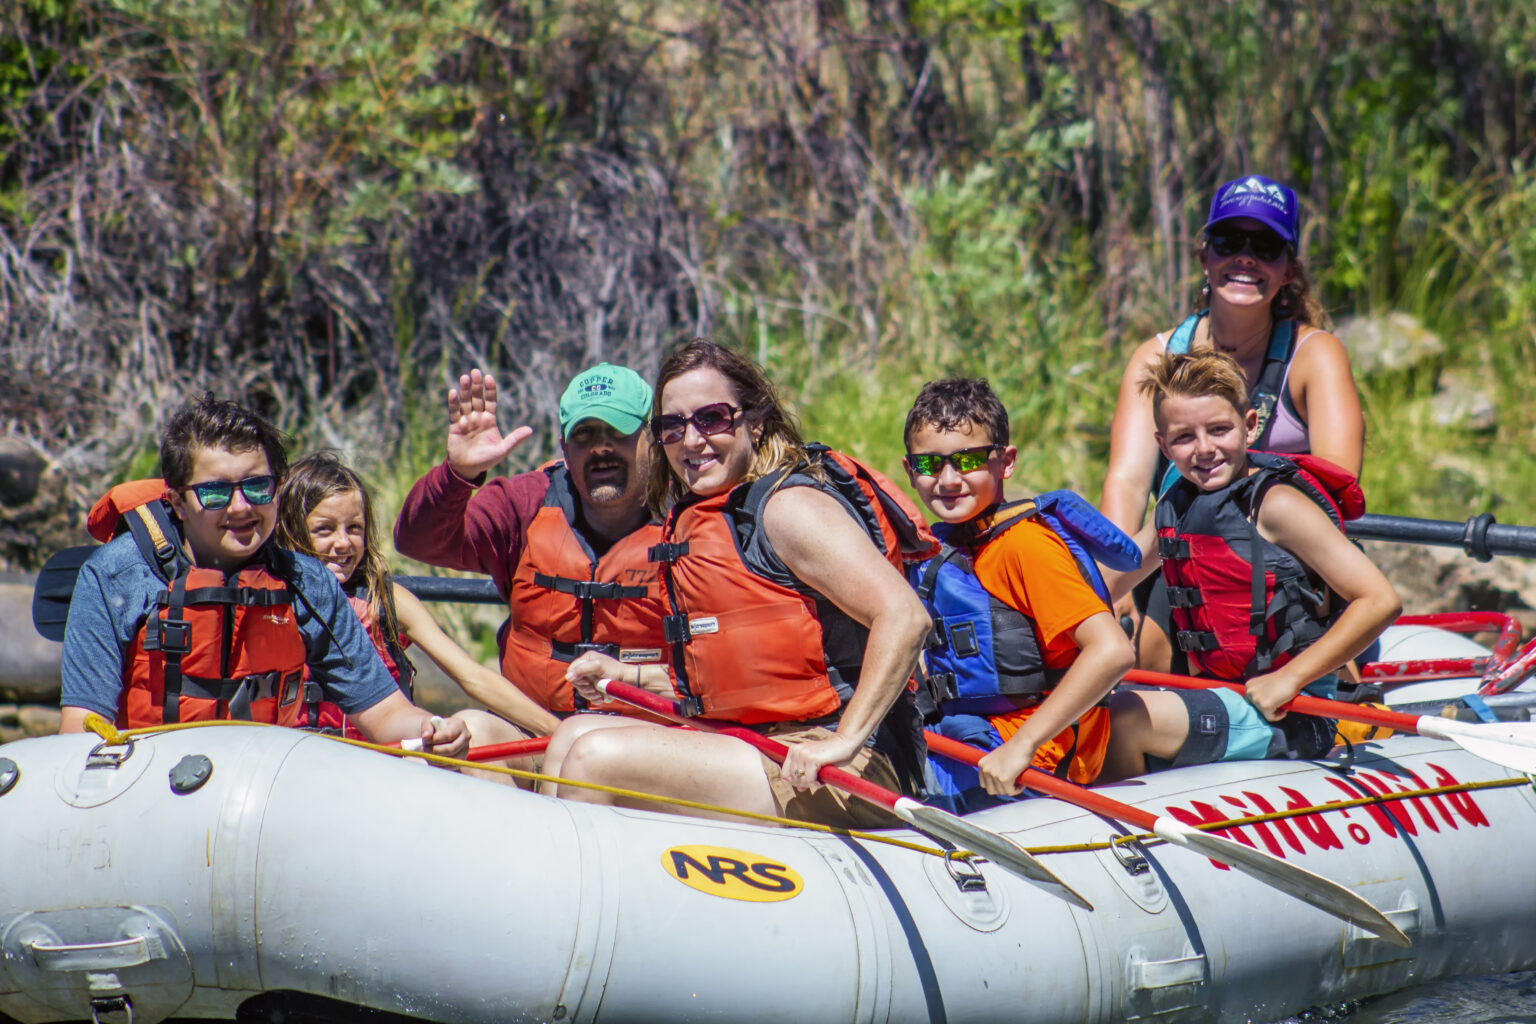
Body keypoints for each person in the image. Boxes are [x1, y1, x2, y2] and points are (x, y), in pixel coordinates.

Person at [542, 339, 934, 827]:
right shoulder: (715, 518)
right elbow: (743, 674)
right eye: (672, 425)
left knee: (595, 757)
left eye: (712, 419)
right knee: (571, 735)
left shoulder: (790, 509)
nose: (691, 441)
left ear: (755, 420)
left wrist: (844, 740)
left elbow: (905, 616)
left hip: (842, 763)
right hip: (754, 743)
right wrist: (630, 676)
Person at [59, 394, 471, 757]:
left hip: (262, 795)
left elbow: (386, 714)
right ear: (177, 503)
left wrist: (429, 730)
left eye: (258, 487)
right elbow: (81, 732)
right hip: (150, 787)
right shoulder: (115, 576)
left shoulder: (307, 582)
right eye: (216, 492)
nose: (241, 507)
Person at [1100, 174, 1365, 671]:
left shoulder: (1315, 356)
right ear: (1205, 258)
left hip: (1286, 557)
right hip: (1178, 550)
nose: (1246, 257)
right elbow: (1130, 481)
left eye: (1265, 246)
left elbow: (1332, 486)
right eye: (1229, 242)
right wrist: (1117, 584)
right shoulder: (1155, 357)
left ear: (1288, 270)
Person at [1105, 352, 1400, 772]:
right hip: (1217, 696)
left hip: (1292, 711)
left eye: (1220, 430)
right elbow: (1109, 582)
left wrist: (1289, 679)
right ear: (1162, 446)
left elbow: (1380, 600)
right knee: (1090, 712)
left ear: (1250, 426)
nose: (1204, 448)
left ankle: (1124, 836)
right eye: (1184, 437)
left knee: (1123, 717)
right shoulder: (1176, 505)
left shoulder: (1276, 504)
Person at [902, 379, 1137, 805]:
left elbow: (1113, 651)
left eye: (968, 460)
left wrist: (1022, 746)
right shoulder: (942, 547)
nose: (948, 479)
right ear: (909, 469)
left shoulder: (1024, 545)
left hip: (1037, 757)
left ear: (1005, 462)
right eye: (929, 464)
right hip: (970, 735)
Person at [394, 364, 669, 718]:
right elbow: (419, 541)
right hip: (533, 728)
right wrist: (458, 474)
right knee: (471, 727)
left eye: (618, 431)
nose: (602, 447)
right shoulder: (526, 502)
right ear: (564, 451)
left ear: (652, 439)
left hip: (648, 739)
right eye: (584, 435)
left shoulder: (688, 519)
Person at [275, 452, 559, 767]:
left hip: (382, 764)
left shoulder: (387, 602)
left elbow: (472, 677)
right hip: (293, 762)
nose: (343, 543)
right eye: (324, 530)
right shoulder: (270, 601)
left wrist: (555, 732)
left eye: (354, 528)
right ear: (291, 530)